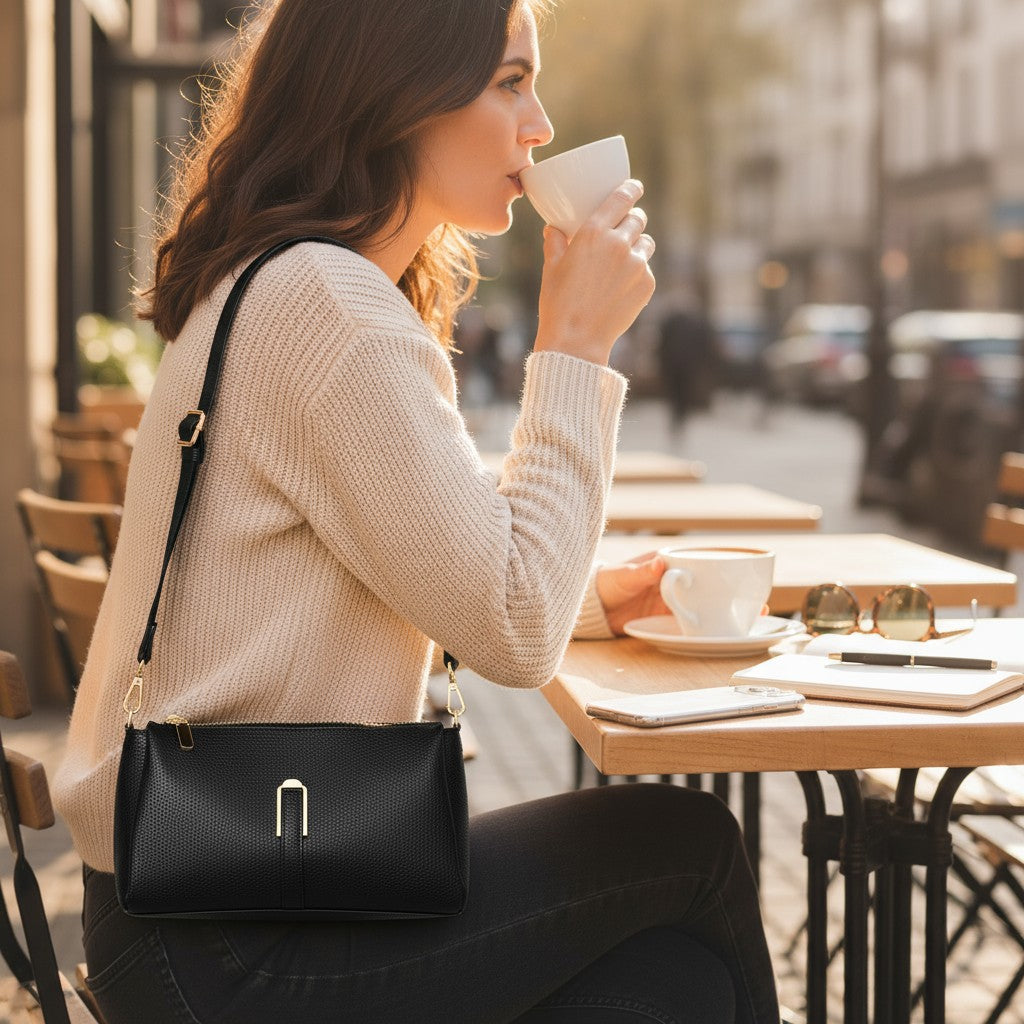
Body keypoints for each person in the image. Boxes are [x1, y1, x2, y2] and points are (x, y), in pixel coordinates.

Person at [52, 1, 781, 1021]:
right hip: (228, 930)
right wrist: (574, 345)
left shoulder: (302, 284)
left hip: (205, 893)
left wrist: (592, 598)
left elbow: (443, 559)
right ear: (397, 93)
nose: (541, 126)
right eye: (510, 82)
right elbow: (511, 632)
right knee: (688, 845)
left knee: (672, 983)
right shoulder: (327, 304)